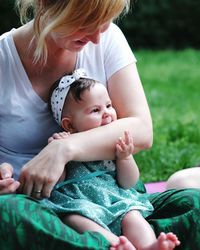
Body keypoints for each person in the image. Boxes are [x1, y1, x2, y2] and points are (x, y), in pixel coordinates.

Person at [0, 0, 200, 249]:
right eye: (84, 22)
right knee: (6, 214)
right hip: (44, 209)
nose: (96, 38)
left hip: (116, 201)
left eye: (103, 23)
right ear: (45, 4)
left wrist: (63, 149)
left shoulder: (108, 39)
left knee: (194, 204)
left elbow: (141, 130)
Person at [42, 70, 180, 250]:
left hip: (115, 200)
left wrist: (125, 157)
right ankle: (116, 245)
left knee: (132, 215)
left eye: (108, 105)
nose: (107, 113)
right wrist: (57, 154)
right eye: (95, 110)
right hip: (80, 202)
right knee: (75, 218)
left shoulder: (111, 145)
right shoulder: (62, 142)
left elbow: (128, 182)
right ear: (69, 125)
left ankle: (149, 246)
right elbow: (56, 182)